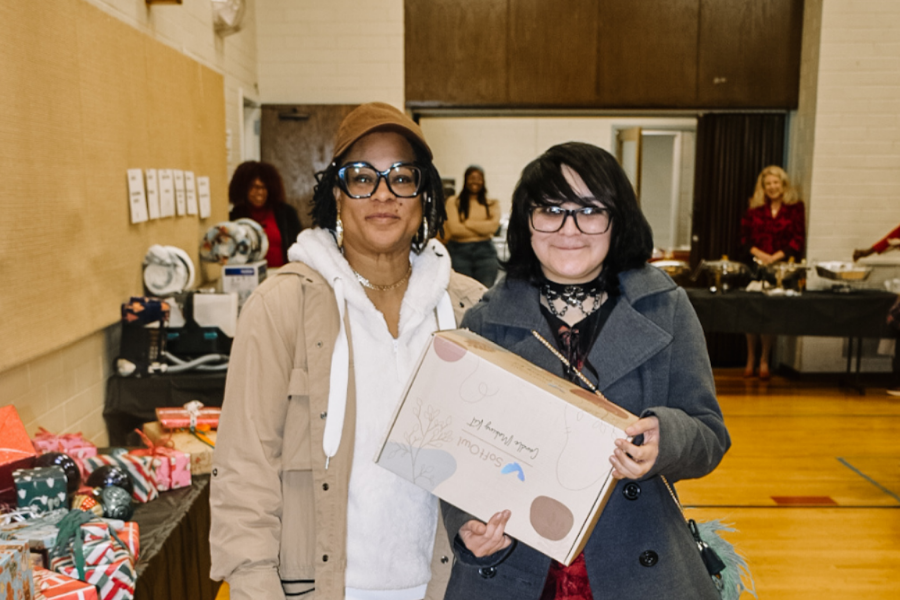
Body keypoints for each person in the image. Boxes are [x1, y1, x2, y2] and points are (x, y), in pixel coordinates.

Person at [210, 103, 486, 600]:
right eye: (362, 177)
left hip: (445, 584)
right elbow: (243, 465)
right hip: (321, 587)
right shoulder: (281, 306)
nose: (383, 194)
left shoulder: (468, 308)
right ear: (335, 193)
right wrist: (253, 583)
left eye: (402, 177)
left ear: (424, 195)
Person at [441, 142, 731, 600]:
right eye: (551, 209)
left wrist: (666, 439)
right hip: (519, 569)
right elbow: (455, 450)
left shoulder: (665, 307)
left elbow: (710, 435)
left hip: (638, 565)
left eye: (590, 210)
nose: (569, 228)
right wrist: (467, 527)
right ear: (526, 221)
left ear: (617, 220)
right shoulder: (485, 320)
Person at [740, 165, 806, 380]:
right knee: (751, 313)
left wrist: (775, 257)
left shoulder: (795, 207)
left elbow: (797, 239)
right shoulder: (754, 208)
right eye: (768, 184)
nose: (772, 187)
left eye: (775, 183)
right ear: (763, 187)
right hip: (756, 266)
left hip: (781, 269)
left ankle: (764, 359)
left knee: (769, 315)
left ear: (783, 184)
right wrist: (761, 255)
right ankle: (750, 358)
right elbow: (744, 239)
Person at [229, 160, 302, 267]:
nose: (260, 192)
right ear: (243, 189)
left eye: (264, 187)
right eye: (254, 187)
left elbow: (299, 248)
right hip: (248, 277)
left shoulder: (286, 214)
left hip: (283, 275)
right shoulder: (235, 217)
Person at [443, 165, 502, 287]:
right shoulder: (453, 202)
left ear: (483, 181)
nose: (475, 181)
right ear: (465, 180)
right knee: (463, 293)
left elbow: (493, 228)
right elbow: (455, 230)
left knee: (485, 293)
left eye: (479, 178)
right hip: (459, 252)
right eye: (472, 177)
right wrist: (482, 228)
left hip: (485, 252)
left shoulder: (492, 203)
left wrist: (467, 222)